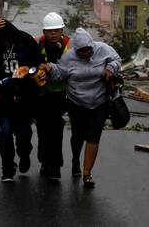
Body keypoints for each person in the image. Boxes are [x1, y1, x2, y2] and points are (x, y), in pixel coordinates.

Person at [41, 28, 121, 188]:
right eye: (81, 52)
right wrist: (49, 68)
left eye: (88, 50)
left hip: (100, 101)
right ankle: (76, 159)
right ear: (75, 50)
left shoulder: (104, 49)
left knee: (94, 136)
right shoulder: (68, 58)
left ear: (92, 45)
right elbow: (59, 74)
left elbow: (116, 60)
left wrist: (110, 68)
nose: (85, 54)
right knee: (78, 135)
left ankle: (87, 174)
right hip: (76, 102)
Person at [0, 17, 43, 182]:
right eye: (1, 40)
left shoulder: (26, 41)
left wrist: (28, 71)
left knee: (24, 133)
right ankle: (7, 169)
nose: (5, 43)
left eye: (7, 39)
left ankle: (24, 155)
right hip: (1, 96)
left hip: (24, 96)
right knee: (4, 133)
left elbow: (38, 64)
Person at [34, 12, 70, 181]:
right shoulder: (37, 44)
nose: (53, 33)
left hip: (60, 96)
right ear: (44, 31)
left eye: (57, 30)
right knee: (42, 129)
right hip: (41, 96)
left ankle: (55, 166)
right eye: (50, 31)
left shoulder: (69, 47)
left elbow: (71, 70)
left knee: (56, 129)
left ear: (62, 30)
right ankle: (44, 160)